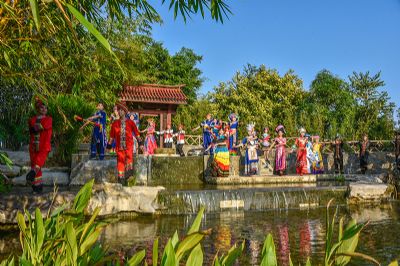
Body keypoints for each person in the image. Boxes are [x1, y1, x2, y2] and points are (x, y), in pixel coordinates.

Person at [107, 102, 140, 184]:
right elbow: (111, 137)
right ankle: (121, 182)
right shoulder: (115, 124)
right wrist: (108, 148)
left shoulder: (131, 122)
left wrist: (141, 144)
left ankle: (129, 179)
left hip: (129, 147)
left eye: (121, 110)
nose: (119, 112)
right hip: (119, 148)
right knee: (120, 164)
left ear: (125, 111)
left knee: (129, 160)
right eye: (118, 110)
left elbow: (137, 134)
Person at [26, 97, 52, 193]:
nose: (44, 109)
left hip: (44, 145)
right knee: (35, 165)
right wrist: (35, 127)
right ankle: (37, 187)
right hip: (33, 146)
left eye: (45, 108)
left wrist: (35, 127)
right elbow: (33, 128)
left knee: (38, 163)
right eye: (41, 108)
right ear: (37, 109)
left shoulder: (49, 119)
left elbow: (38, 127)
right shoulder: (32, 119)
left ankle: (32, 174)